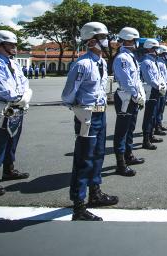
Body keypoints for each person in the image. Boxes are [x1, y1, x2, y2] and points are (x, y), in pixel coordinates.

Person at [61, 22, 118, 221]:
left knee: (98, 154)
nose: (107, 41)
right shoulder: (82, 64)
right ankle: (78, 205)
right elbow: (68, 94)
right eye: (103, 37)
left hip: (100, 113)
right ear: (92, 40)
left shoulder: (101, 62)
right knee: (84, 158)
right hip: (87, 115)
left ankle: (95, 192)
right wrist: (79, 109)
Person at [0, 30, 32, 196]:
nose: (14, 48)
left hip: (17, 106)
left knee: (13, 139)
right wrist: (20, 97)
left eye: (15, 44)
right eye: (10, 44)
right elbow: (2, 89)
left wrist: (26, 94)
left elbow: (24, 81)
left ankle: (9, 169)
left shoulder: (14, 63)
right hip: (2, 107)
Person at [112, 27, 146, 177]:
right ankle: (120, 164)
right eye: (135, 40)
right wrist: (135, 94)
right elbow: (126, 81)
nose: (137, 43)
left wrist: (140, 94)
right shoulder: (122, 58)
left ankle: (129, 155)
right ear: (127, 40)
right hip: (126, 97)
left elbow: (136, 80)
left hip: (132, 96)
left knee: (130, 127)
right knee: (122, 131)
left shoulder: (130, 56)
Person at [140, 39, 167, 150]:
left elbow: (159, 76)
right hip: (151, 90)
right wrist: (159, 86)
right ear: (150, 48)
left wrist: (163, 85)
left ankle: (150, 135)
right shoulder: (146, 62)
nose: (157, 50)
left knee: (153, 114)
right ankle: (146, 140)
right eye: (156, 48)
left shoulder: (153, 61)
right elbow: (149, 78)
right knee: (149, 115)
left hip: (156, 90)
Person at [154, 44, 167, 135]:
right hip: (161, 88)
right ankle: (157, 126)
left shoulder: (162, 63)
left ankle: (159, 124)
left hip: (164, 87)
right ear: (162, 53)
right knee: (158, 108)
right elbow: (161, 77)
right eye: (166, 53)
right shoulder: (159, 63)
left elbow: (165, 76)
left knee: (161, 108)